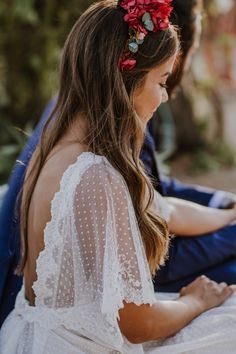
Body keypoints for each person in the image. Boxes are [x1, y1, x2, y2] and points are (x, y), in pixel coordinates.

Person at [1, 1, 236, 353]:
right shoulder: (96, 176)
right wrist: (197, 302)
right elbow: (139, 324)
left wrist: (229, 214)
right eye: (161, 81)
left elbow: (161, 207)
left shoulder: (60, 145)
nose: (164, 96)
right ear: (124, 79)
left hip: (39, 330)